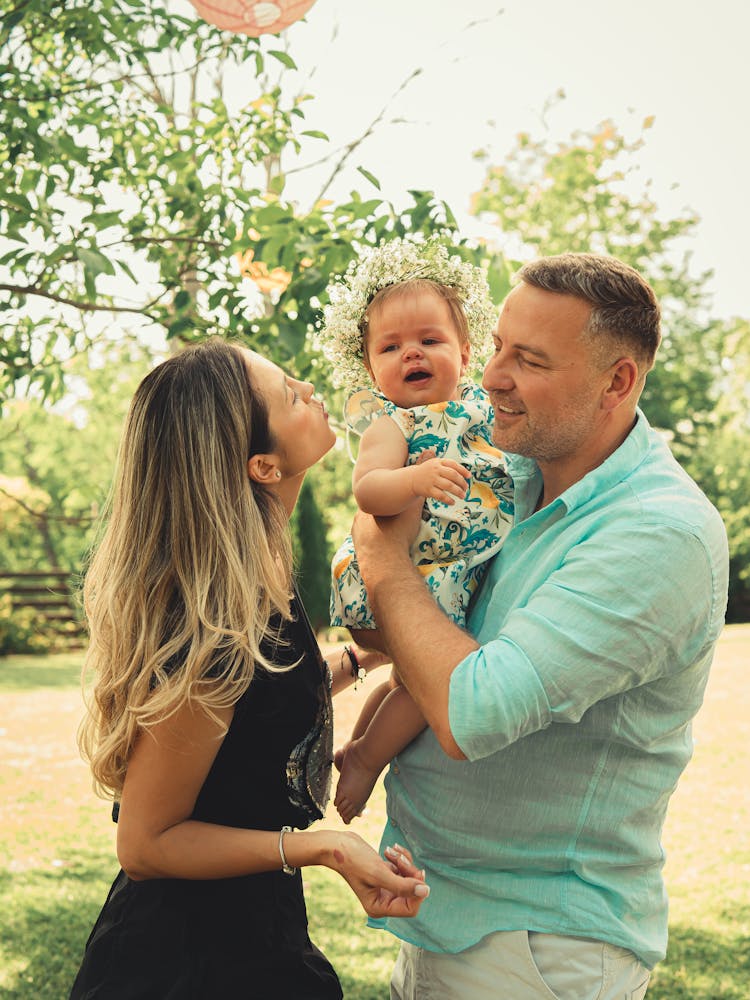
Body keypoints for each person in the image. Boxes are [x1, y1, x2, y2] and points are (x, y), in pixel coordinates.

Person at [350, 252, 729, 1000]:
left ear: (617, 382)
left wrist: (383, 563)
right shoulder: (512, 470)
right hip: (449, 914)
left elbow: (473, 710)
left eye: (528, 360)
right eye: (495, 347)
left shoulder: (658, 533)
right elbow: (410, 640)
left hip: (538, 949)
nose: (491, 376)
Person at [69, 339, 429, 1000]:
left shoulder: (255, 583)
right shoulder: (207, 635)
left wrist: (367, 655)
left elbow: (259, 700)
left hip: (254, 933)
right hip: (182, 963)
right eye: (290, 392)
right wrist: (322, 847)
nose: (312, 390)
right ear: (264, 465)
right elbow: (146, 845)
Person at [317, 238, 513, 823]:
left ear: (466, 350)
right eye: (392, 347)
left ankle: (356, 744)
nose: (412, 355)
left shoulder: (484, 409)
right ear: (370, 365)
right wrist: (415, 479)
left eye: (429, 341)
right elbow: (368, 491)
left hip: (452, 566)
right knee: (430, 689)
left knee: (408, 680)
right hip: (415, 572)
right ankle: (367, 761)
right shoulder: (392, 424)